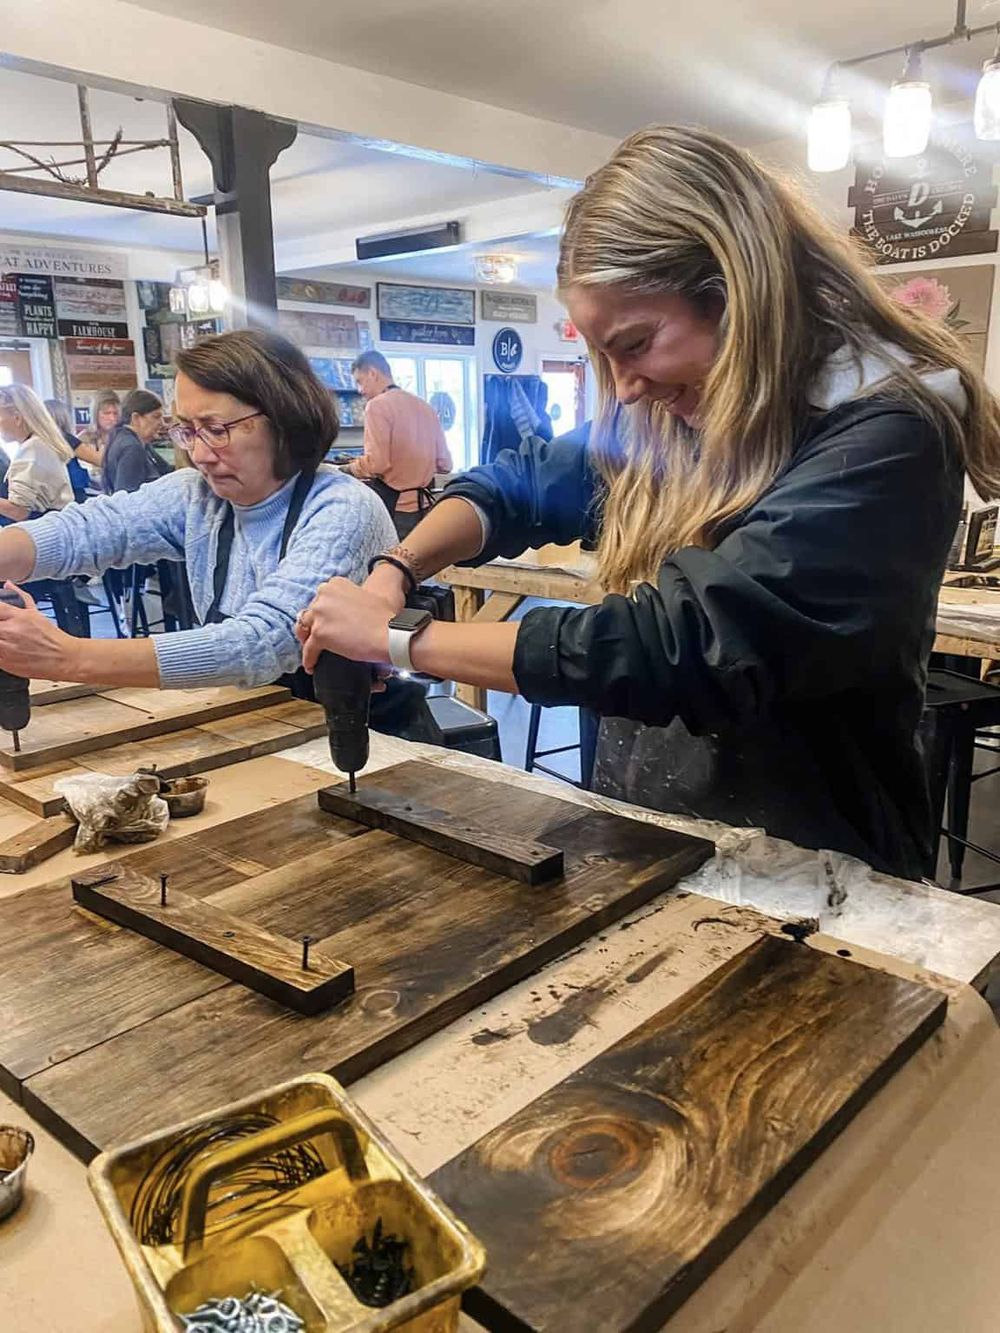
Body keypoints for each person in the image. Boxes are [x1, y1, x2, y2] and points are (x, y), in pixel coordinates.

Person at [297, 125, 1000, 882]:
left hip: (819, 864)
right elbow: (515, 487)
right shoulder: (673, 417)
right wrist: (396, 572)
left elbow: (691, 644)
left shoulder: (887, 430)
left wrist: (401, 641)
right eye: (605, 355)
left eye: (635, 344)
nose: (626, 386)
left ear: (736, 293)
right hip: (654, 835)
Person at [0, 329, 395, 693]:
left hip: (364, 730)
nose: (200, 454)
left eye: (217, 430)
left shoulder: (342, 508)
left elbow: (263, 641)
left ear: (285, 420)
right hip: (254, 712)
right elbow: (91, 530)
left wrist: (68, 657)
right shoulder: (200, 497)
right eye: (187, 431)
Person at [347, 350, 453, 536]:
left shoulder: (377, 406)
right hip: (426, 508)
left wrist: (349, 468)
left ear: (373, 373)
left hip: (396, 511)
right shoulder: (425, 407)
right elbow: (445, 464)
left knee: (392, 555)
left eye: (360, 381)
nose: (360, 390)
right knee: (423, 554)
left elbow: (378, 464)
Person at [0, 385, 75, 521]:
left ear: (17, 418)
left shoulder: (33, 449)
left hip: (45, 529)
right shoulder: (39, 444)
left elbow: (20, 511)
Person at [103, 389, 172, 494]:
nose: (162, 423)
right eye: (156, 417)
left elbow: (167, 471)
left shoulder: (138, 442)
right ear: (136, 418)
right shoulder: (132, 448)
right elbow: (126, 497)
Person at [44, 398, 93, 502]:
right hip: (73, 495)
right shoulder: (67, 440)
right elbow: (98, 460)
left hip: (50, 497)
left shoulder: (40, 441)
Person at [77, 390, 120, 466]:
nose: (112, 418)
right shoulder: (82, 440)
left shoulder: (124, 438)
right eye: (107, 413)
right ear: (95, 413)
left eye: (115, 413)